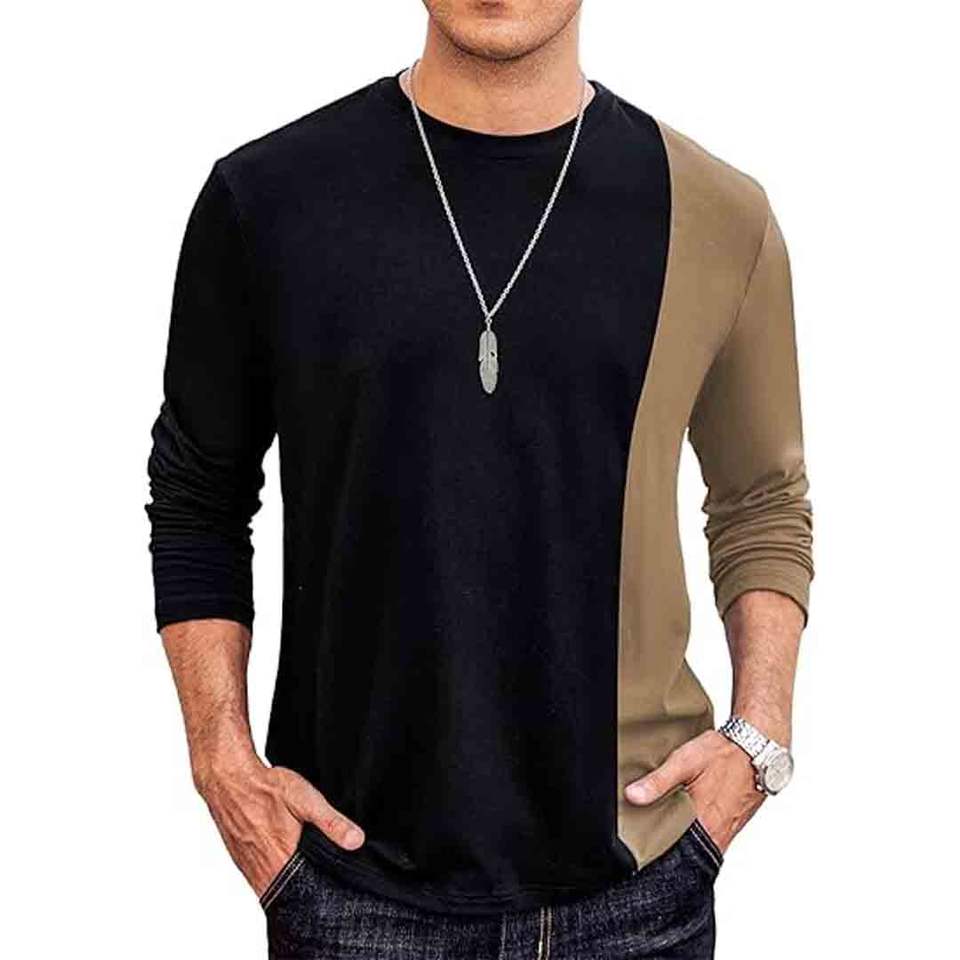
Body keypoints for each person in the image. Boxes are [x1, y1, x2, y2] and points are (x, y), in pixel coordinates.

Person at [146, 2, 813, 957]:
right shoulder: (269, 199)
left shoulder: (716, 214)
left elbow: (761, 500)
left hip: (641, 886)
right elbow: (199, 496)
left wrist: (760, 735)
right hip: (347, 887)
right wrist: (220, 759)